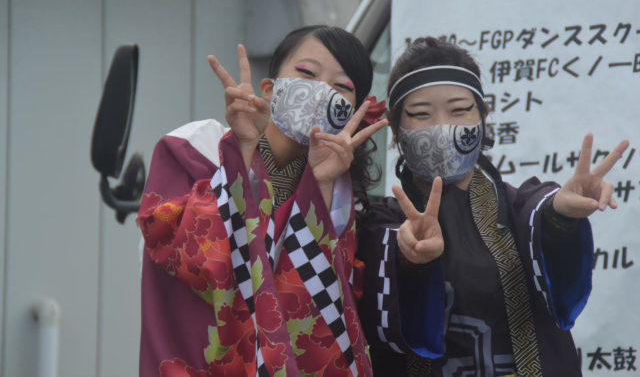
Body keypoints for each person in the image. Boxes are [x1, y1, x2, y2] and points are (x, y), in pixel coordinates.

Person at [356, 37, 629, 377]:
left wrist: (560, 218)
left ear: (484, 118)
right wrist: (410, 259)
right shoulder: (382, 225)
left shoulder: (521, 208)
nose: (442, 127)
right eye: (421, 114)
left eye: (459, 110)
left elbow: (542, 215)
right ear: (396, 129)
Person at [137, 25, 387, 377]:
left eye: (342, 87)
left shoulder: (343, 199)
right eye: (307, 73)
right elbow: (188, 257)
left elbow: (320, 315)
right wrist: (246, 150)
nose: (322, 91)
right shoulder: (196, 146)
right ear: (270, 88)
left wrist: (319, 184)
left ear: (352, 113)